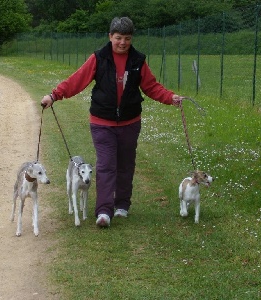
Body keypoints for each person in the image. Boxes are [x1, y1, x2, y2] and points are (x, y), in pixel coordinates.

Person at [41, 17, 183, 228]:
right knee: (106, 166)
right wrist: (54, 95)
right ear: (110, 37)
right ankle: (104, 212)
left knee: (126, 166)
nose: (123, 43)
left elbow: (152, 86)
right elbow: (77, 80)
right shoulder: (99, 58)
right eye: (118, 38)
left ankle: (122, 205)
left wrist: (170, 98)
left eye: (127, 38)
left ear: (131, 39)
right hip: (102, 122)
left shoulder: (138, 60)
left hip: (130, 122)